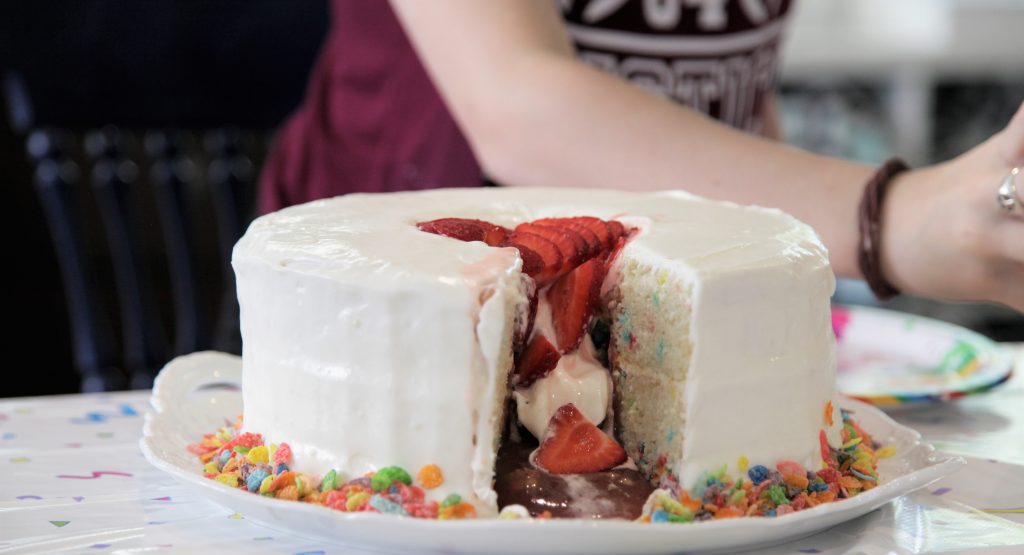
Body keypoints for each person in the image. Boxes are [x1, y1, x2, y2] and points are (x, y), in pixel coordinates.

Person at [260, 0, 1024, 312]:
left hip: (649, 306)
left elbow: (729, 90)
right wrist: (889, 219)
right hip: (396, 313)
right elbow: (519, 104)